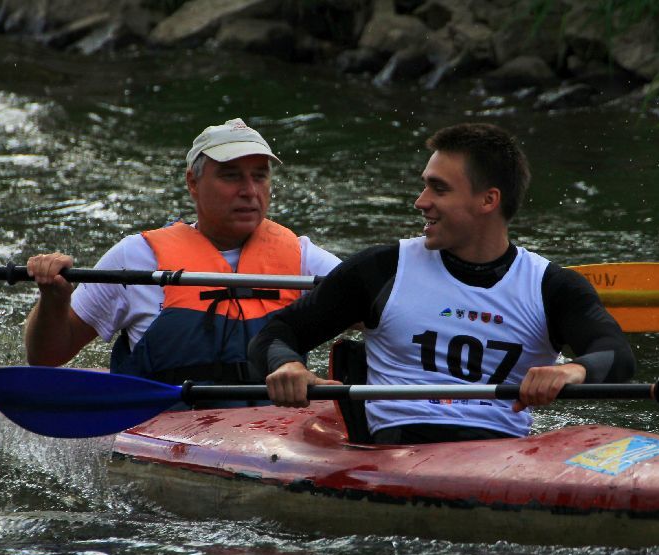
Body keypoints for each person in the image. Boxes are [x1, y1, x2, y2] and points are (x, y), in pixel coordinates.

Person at [249, 122, 635, 444]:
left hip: (504, 458)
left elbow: (616, 354)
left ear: (488, 200)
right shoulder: (382, 271)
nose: (421, 201)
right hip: (395, 453)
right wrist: (289, 366)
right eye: (425, 185)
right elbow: (279, 332)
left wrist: (574, 371)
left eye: (439, 188)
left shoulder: (551, 287)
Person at [24, 118, 340, 385]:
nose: (249, 191)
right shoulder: (135, 258)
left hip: (270, 434)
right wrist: (54, 299)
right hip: (164, 424)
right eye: (231, 176)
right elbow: (47, 357)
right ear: (193, 182)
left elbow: (378, 305)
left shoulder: (303, 258)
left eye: (259, 176)